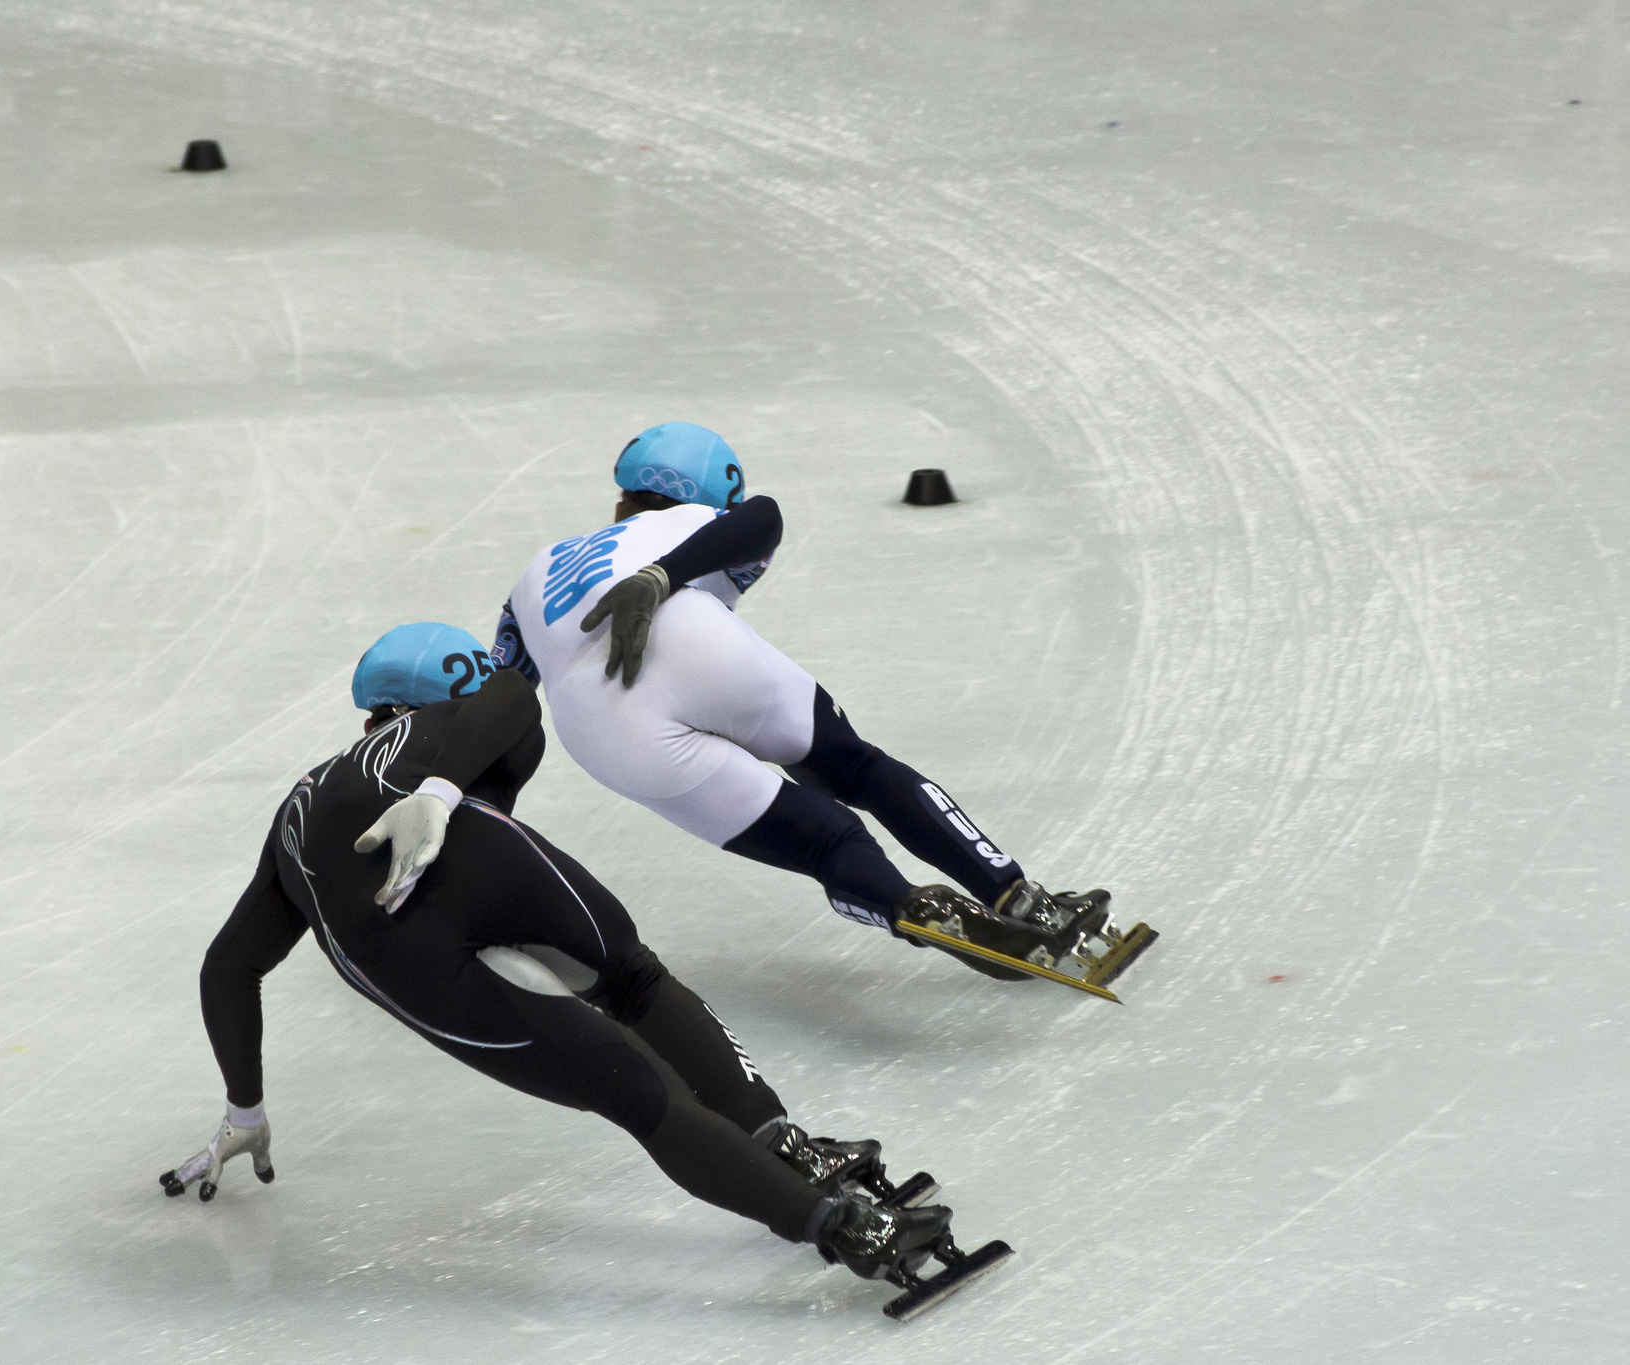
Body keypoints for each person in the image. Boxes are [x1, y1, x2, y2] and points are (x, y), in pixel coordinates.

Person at [157, 621, 959, 1290]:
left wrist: (246, 1110)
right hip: (485, 862)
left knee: (638, 1099)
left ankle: (838, 1225)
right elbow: (510, 695)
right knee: (637, 982)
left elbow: (228, 968)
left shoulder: (300, 807)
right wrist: (442, 795)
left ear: (374, 714)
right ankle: (787, 1148)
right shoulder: (443, 725)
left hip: (392, 944)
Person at [490, 422, 1111, 980]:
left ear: (623, 498)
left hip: (601, 730)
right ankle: (1020, 898)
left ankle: (915, 907)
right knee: (857, 768)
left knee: (826, 843)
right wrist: (659, 577)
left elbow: (500, 708)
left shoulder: (534, 572)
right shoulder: (693, 520)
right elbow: (763, 518)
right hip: (697, 647)